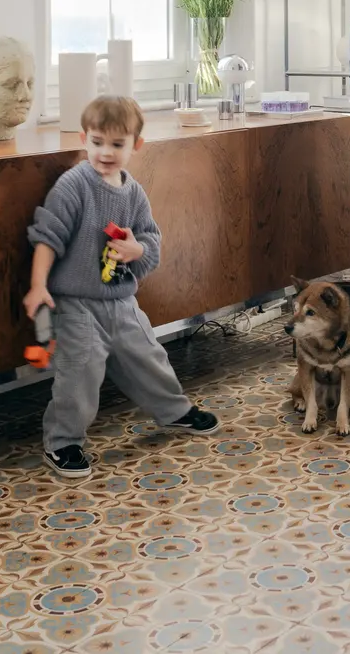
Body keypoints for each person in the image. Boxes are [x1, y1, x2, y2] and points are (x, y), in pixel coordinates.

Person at [24, 96, 219, 477]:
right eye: (97, 142)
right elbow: (48, 237)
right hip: (76, 303)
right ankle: (62, 441)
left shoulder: (134, 193)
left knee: (148, 356)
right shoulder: (73, 186)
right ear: (84, 139)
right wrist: (37, 285)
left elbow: (150, 240)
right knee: (80, 371)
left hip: (121, 300)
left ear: (136, 145)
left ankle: (174, 410)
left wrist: (137, 249)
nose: (106, 152)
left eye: (117, 144)